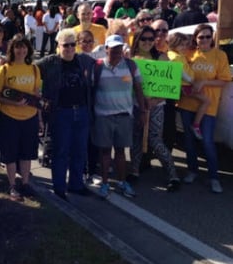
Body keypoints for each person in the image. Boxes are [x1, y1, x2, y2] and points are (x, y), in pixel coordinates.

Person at [35, 30, 94, 200]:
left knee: (79, 150)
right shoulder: (49, 62)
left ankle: (76, 184)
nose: (69, 48)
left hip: (81, 111)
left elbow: (102, 63)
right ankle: (59, 187)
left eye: (72, 44)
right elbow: (29, 67)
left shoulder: (83, 60)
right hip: (60, 112)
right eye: (65, 45)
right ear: (58, 46)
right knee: (60, 151)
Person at [92, 35, 146, 199]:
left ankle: (122, 182)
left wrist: (142, 111)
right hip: (103, 116)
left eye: (119, 48)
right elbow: (90, 91)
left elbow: (138, 89)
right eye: (113, 48)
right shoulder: (98, 66)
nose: (116, 51)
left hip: (124, 116)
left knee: (121, 152)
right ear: (106, 48)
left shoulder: (130, 65)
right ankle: (106, 183)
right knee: (105, 152)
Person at [178, 24, 230, 193]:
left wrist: (204, 82)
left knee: (207, 141)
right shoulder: (189, 54)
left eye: (208, 36)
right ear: (196, 39)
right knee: (189, 140)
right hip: (188, 103)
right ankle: (192, 170)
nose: (205, 40)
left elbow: (224, 80)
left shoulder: (220, 55)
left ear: (212, 38)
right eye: (201, 37)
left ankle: (214, 177)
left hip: (208, 106)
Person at [128, 27, 180, 191]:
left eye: (151, 39)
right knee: (136, 138)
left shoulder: (162, 58)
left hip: (156, 106)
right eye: (144, 39)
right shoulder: (130, 60)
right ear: (137, 39)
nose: (148, 42)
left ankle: (172, 175)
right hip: (137, 106)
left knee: (155, 140)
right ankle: (134, 171)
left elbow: (171, 87)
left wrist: (155, 100)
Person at [0, 34, 42, 201]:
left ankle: (26, 183)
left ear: (28, 49)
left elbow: (36, 96)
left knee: (26, 152)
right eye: (17, 47)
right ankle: (12, 185)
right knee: (10, 152)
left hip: (29, 117)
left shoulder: (34, 69)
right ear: (12, 49)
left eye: (23, 47)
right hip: (9, 117)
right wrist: (14, 104)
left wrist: (40, 118)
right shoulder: (5, 69)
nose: (21, 50)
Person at [167, 32, 211, 139]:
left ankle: (194, 123)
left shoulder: (178, 55)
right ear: (174, 44)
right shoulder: (175, 57)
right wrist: (192, 82)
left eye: (186, 45)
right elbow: (182, 73)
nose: (184, 47)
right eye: (181, 45)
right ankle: (196, 125)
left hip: (186, 84)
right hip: (185, 85)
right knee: (206, 101)